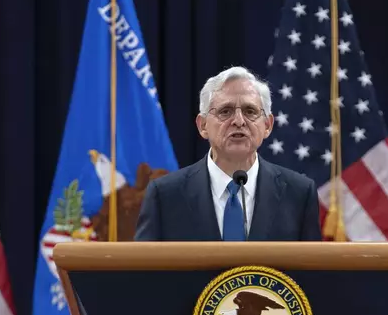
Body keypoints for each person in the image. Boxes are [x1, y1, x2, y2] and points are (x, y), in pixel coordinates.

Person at [134, 66, 322, 241]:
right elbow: (145, 272)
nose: (239, 121)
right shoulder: (165, 196)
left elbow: (311, 272)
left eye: (250, 111)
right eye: (225, 111)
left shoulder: (299, 194)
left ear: (267, 125)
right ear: (203, 126)